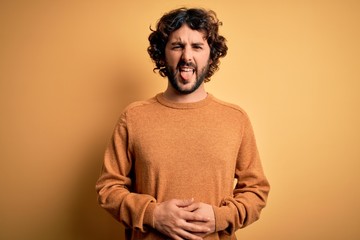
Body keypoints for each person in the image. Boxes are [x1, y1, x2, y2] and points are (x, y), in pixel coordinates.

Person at [96, 7, 270, 240]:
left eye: (197, 46)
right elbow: (108, 189)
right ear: (162, 53)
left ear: (211, 55)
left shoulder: (235, 118)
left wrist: (220, 217)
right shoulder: (134, 117)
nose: (187, 56)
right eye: (177, 46)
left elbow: (256, 191)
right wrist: (152, 214)